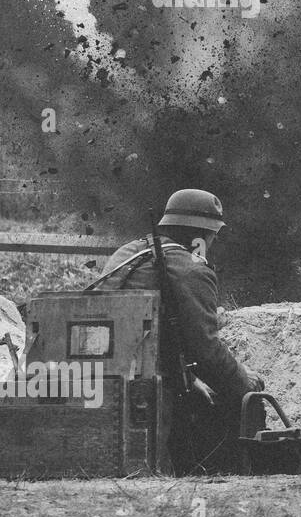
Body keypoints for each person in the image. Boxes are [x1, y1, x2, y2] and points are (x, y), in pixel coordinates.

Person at [99, 188, 262, 474]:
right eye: (213, 234)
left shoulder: (125, 254)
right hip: (153, 386)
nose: (212, 241)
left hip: (107, 373)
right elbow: (207, 353)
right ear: (199, 236)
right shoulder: (192, 269)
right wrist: (245, 381)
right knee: (246, 396)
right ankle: (226, 472)